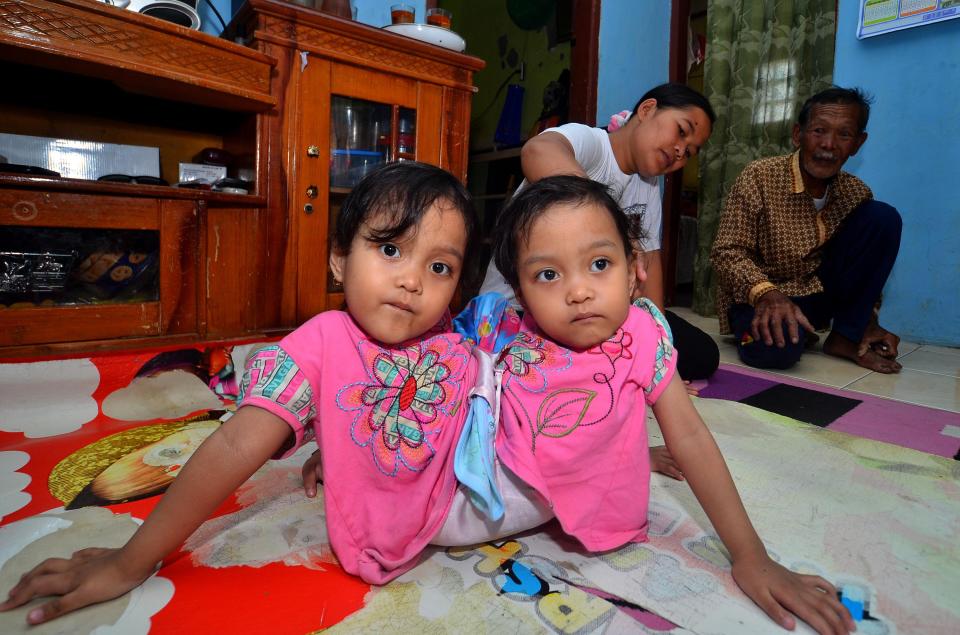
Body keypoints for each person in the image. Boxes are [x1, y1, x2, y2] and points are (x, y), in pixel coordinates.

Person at [0, 162, 544, 623]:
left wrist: (344, 449)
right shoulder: (321, 344)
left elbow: (423, 403)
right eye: (390, 249)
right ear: (338, 259)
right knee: (567, 464)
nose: (413, 281)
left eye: (440, 266)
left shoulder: (441, 331)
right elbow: (235, 447)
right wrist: (130, 561)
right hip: (467, 500)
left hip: (490, 456)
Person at [484, 175, 852, 634]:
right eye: (548, 274)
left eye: (599, 263)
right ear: (519, 293)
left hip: (592, 498)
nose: (578, 291)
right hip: (516, 485)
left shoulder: (643, 333)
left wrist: (751, 557)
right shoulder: (505, 340)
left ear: (633, 265)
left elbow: (691, 437)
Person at [479, 82, 721, 383]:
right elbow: (538, 150)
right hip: (525, 307)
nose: (679, 151)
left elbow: (651, 265)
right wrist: (606, 213)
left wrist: (658, 352)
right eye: (681, 131)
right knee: (559, 365)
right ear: (647, 110)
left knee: (702, 354)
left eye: (689, 152)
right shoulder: (592, 142)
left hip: (594, 305)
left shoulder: (648, 187)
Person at [711, 86, 902, 373]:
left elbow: (863, 270)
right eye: (819, 131)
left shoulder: (856, 193)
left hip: (816, 293)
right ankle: (784, 331)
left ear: (858, 143)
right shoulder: (759, 176)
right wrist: (768, 295)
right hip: (761, 296)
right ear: (798, 134)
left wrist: (867, 322)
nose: (829, 144)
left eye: (844, 134)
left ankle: (845, 337)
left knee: (883, 218)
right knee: (774, 353)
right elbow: (727, 253)